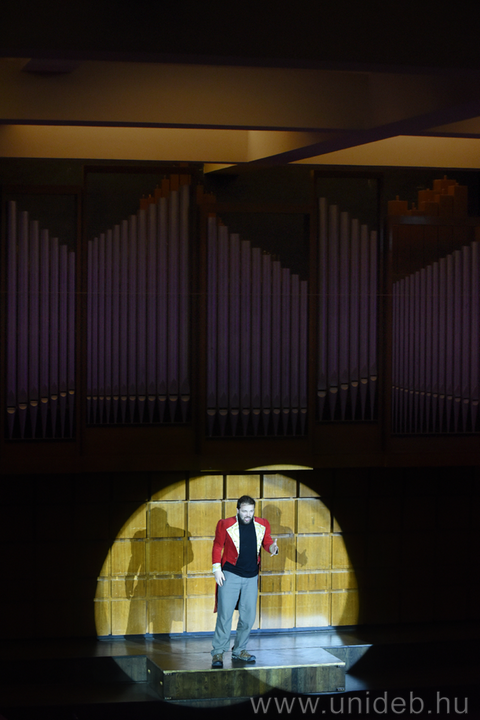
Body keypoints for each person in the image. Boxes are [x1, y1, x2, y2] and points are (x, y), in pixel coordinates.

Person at [211, 495, 278, 668]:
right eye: (244, 511)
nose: (248, 514)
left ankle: (239, 649)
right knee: (225, 615)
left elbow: (267, 542)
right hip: (230, 573)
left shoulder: (262, 524)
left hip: (251, 575)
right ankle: (218, 652)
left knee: (248, 616)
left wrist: (272, 547)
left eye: (251, 511)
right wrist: (216, 569)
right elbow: (217, 546)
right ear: (238, 510)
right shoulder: (225, 524)